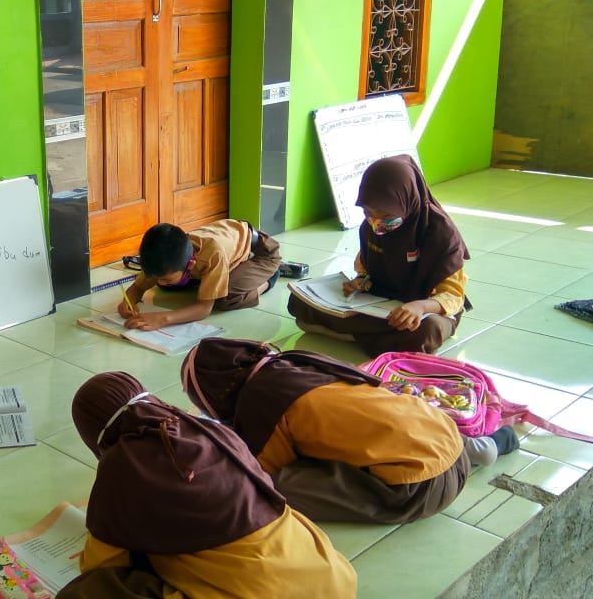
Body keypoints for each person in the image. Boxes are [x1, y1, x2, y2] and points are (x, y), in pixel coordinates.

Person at [60, 371, 357, 598]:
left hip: (262, 591)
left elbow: (101, 565)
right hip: (332, 579)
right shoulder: (208, 428)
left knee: (88, 590)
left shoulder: (121, 467)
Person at [180, 338, 517, 524]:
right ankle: (479, 447)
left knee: (275, 486)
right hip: (443, 434)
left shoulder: (258, 404)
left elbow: (262, 470)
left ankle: (468, 453)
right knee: (375, 425)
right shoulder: (294, 362)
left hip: (421, 488)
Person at [288, 154, 470, 356]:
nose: (376, 222)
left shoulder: (440, 233)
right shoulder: (371, 227)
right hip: (381, 303)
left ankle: (349, 334)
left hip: (425, 310)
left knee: (425, 331)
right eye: (368, 212)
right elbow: (366, 269)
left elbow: (454, 296)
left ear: (407, 200)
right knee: (299, 300)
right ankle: (372, 339)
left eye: (387, 215)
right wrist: (360, 282)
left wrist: (420, 306)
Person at [118, 220, 281, 331]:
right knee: (166, 284)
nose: (159, 281)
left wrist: (162, 319)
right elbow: (138, 287)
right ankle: (210, 278)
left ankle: (270, 278)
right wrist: (128, 300)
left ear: (190, 265)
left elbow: (204, 309)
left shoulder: (212, 254)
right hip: (230, 241)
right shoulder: (167, 256)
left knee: (225, 298)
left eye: (166, 277)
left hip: (261, 252)